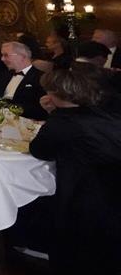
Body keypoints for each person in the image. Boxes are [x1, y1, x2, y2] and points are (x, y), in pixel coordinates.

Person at [29, 66, 121, 271]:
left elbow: (39, 150)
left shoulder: (63, 122)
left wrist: (52, 115)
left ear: (55, 94)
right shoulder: (104, 111)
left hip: (84, 197)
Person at [0, 41, 47, 120]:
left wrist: (10, 109)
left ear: (22, 57)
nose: (2, 59)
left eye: (6, 55)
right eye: (2, 55)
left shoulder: (41, 78)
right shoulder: (3, 75)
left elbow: (40, 109)